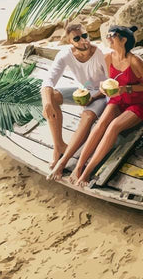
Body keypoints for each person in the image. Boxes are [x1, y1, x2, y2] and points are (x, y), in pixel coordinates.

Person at [71, 25, 143, 187]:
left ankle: (87, 172)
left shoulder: (135, 61)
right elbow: (108, 83)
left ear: (123, 40)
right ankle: (78, 167)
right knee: (101, 124)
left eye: (112, 35)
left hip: (138, 104)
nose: (108, 38)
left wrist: (126, 89)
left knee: (113, 127)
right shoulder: (108, 58)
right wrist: (99, 92)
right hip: (118, 101)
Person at [42, 23, 108, 178]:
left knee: (88, 116)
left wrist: (93, 98)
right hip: (84, 90)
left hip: (102, 93)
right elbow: (48, 81)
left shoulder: (100, 53)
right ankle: (59, 146)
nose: (83, 41)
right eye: (77, 38)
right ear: (70, 42)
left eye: (85, 36)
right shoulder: (65, 54)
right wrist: (47, 103)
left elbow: (111, 82)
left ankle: (64, 161)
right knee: (51, 96)